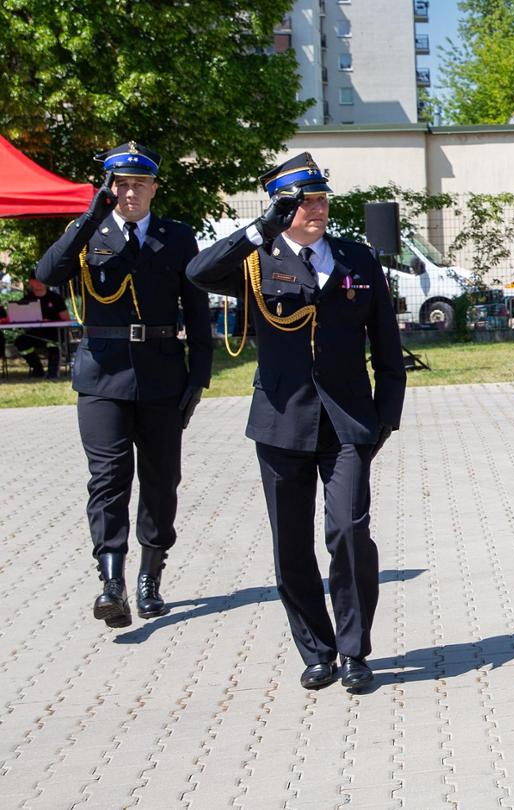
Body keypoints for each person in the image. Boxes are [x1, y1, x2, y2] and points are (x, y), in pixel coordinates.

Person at [186, 153, 405, 693]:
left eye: (321, 200)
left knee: (350, 533)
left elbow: (386, 343)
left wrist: (387, 417)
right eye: (304, 202)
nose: (316, 209)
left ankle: (354, 651)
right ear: (281, 208)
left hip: (349, 421)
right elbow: (197, 273)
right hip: (282, 422)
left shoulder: (356, 258)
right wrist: (259, 228)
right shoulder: (258, 259)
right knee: (290, 544)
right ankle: (317, 649)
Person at [34, 142, 212, 629]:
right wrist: (89, 219)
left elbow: (196, 312)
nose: (129, 192)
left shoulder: (177, 237)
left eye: (138, 183)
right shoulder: (88, 232)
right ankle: (110, 580)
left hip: (161, 373)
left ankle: (150, 575)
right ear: (109, 189)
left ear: (154, 187)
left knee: (160, 481)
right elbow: (47, 275)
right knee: (108, 479)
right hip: (102, 374)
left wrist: (199, 377)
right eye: (120, 184)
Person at [15, 279, 68, 379]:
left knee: (53, 344)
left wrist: (50, 321)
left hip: (53, 333)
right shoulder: (26, 299)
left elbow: (66, 318)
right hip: (34, 333)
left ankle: (53, 373)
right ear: (30, 282)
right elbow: (20, 320)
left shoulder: (55, 298)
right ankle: (38, 369)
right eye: (35, 280)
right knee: (21, 342)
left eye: (41, 280)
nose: (38, 283)